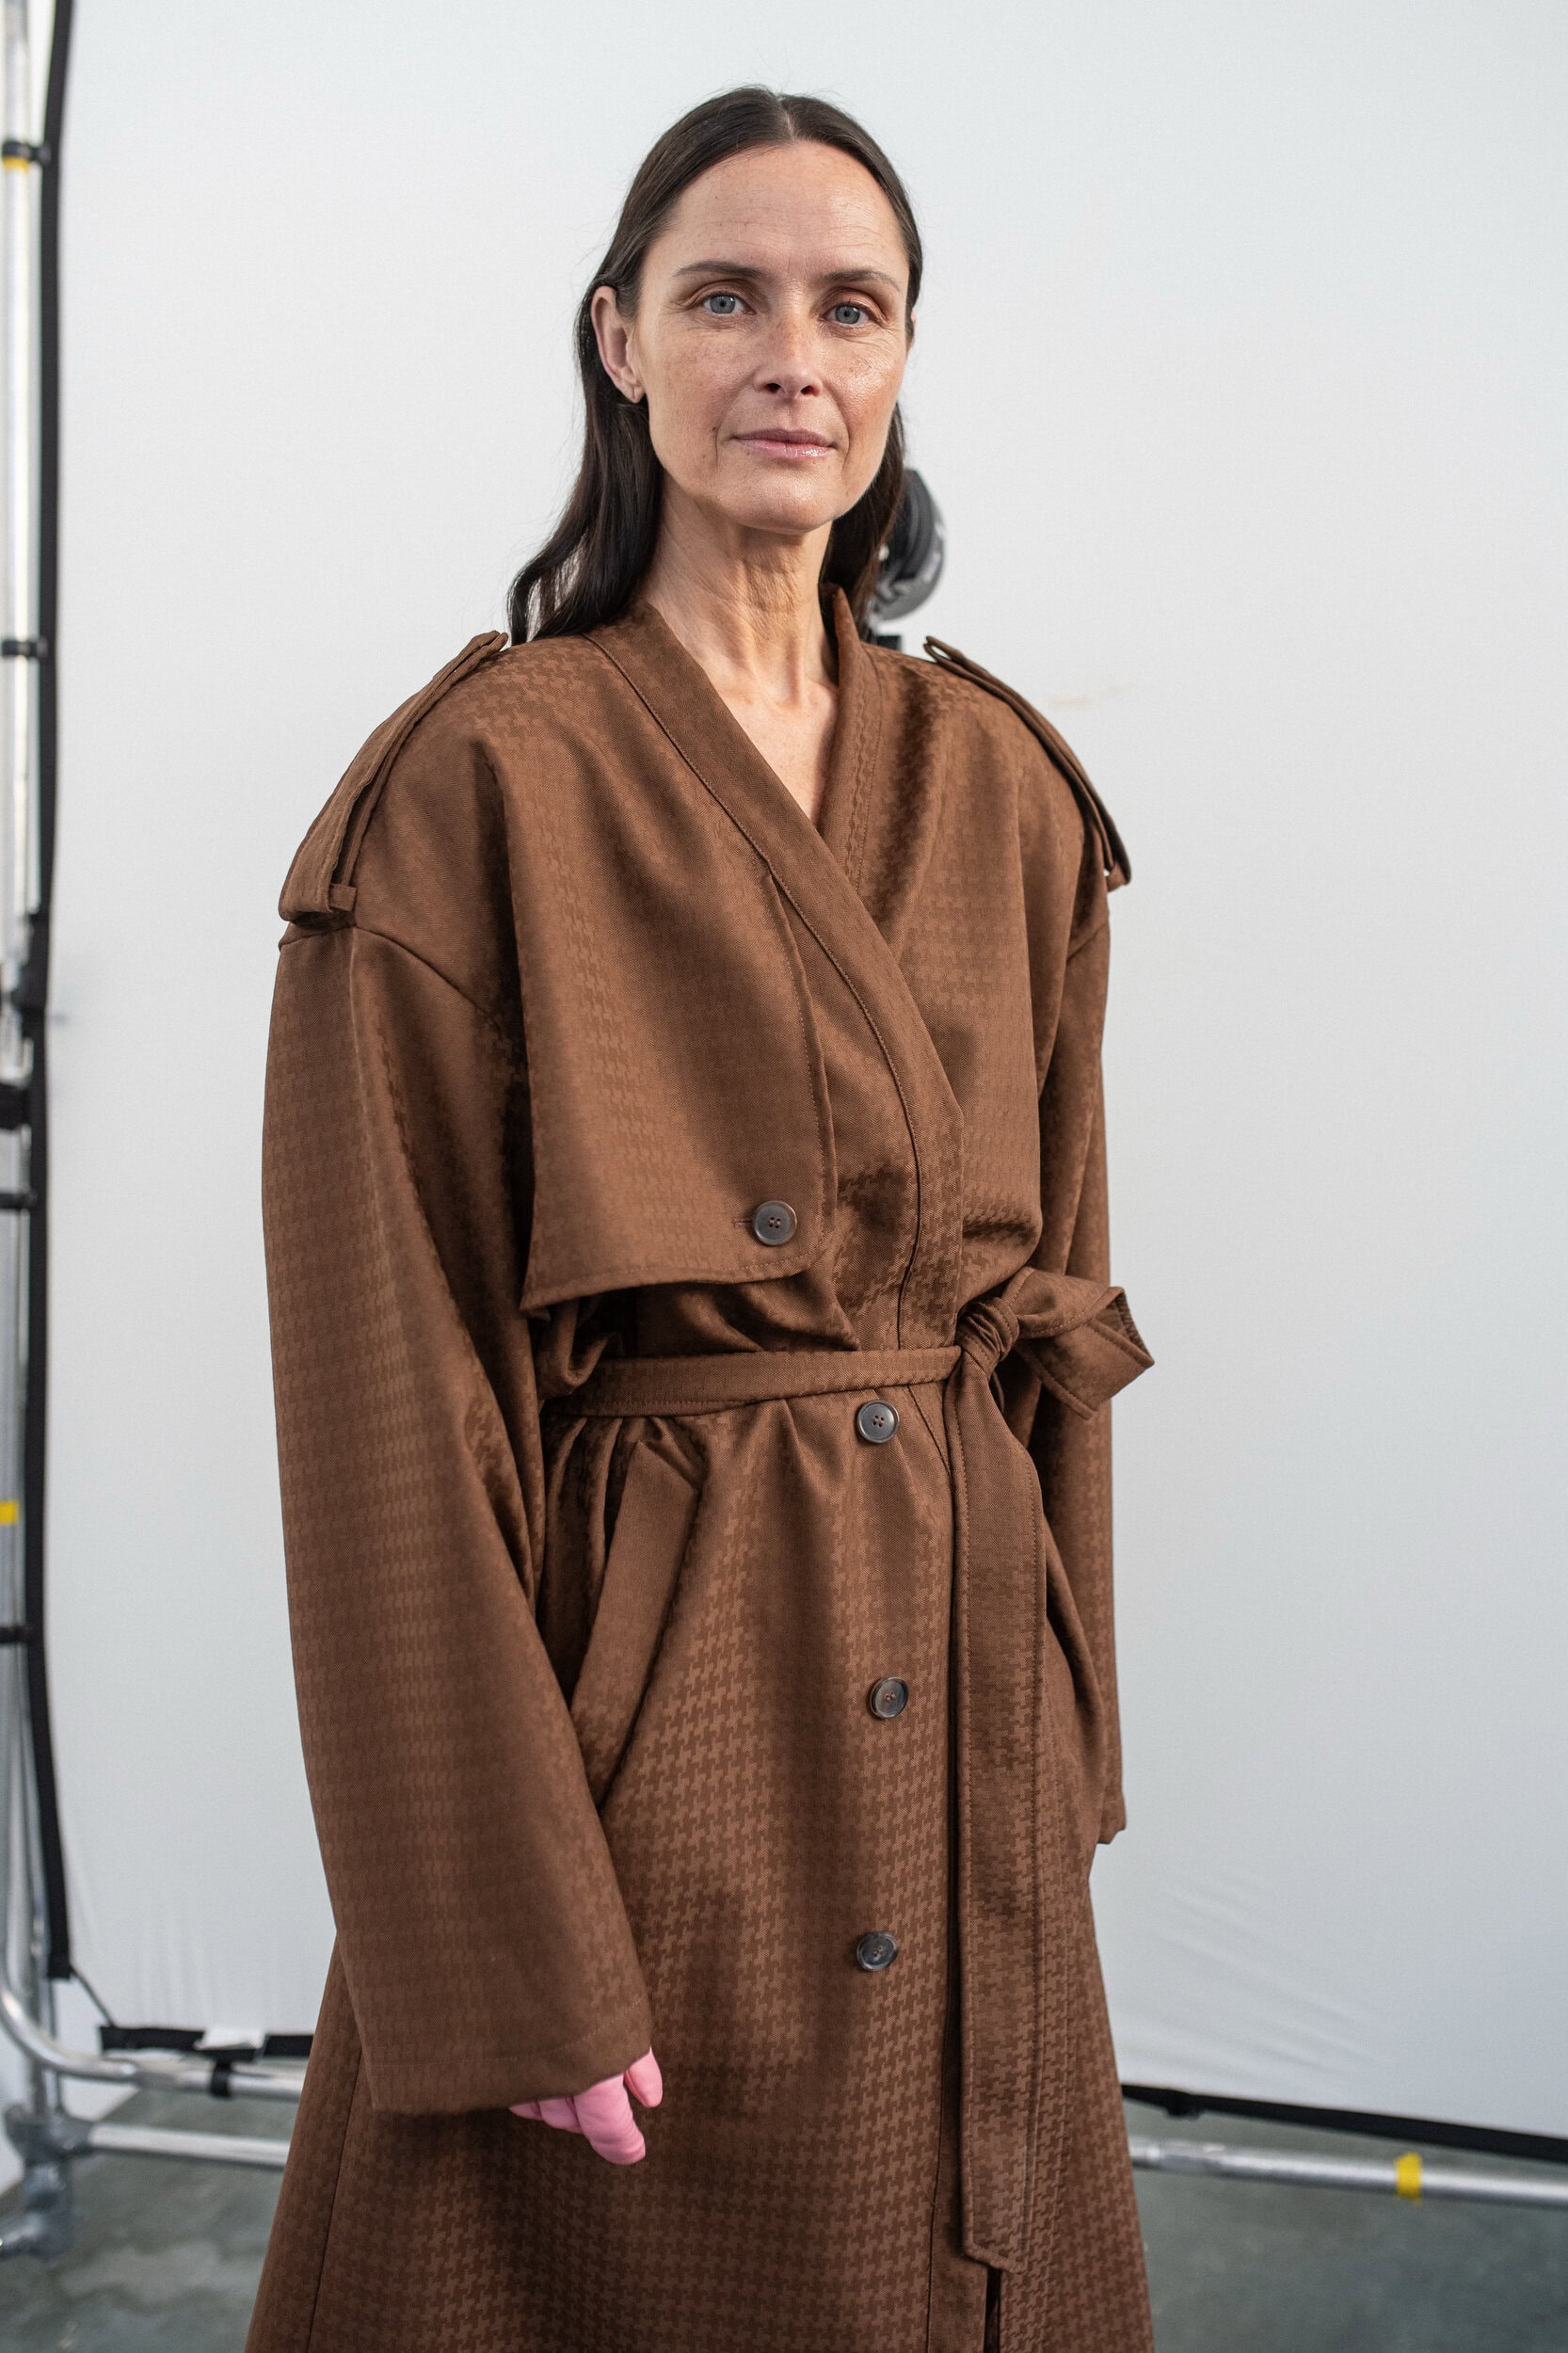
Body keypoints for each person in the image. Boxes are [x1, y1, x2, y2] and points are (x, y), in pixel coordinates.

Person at [246, 84, 1154, 2353]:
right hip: (656, 1715)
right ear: (618, 338)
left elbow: (1055, 1305)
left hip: (955, 1692)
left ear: (902, 356)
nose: (790, 358)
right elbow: (387, 1401)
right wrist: (500, 1941)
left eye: (850, 307)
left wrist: (1058, 1734)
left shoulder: (1003, 783)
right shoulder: (480, 782)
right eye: (724, 295)